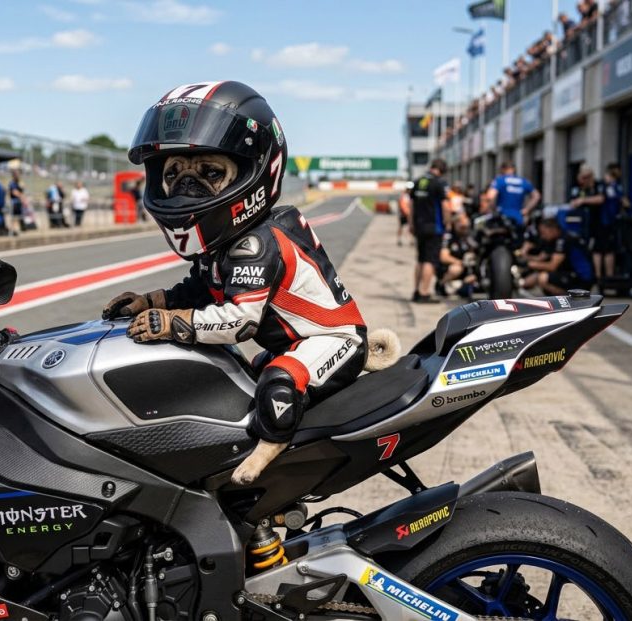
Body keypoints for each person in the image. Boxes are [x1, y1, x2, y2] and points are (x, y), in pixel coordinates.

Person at [100, 81, 368, 485]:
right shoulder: (224, 244)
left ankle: (269, 453)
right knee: (238, 378)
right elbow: (197, 289)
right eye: (174, 174)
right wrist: (149, 301)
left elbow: (239, 321)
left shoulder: (257, 243)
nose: (187, 184)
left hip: (332, 339)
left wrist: (172, 322)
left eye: (210, 173)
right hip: (288, 341)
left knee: (279, 383)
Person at [408, 158, 452, 303]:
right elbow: (445, 206)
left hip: (419, 226)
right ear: (442, 170)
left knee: (420, 259)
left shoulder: (418, 181)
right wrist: (448, 223)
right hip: (434, 227)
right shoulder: (439, 183)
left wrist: (411, 224)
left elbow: (411, 205)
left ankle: (416, 291)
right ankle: (424, 293)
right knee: (430, 260)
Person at [519, 218, 595, 295]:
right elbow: (542, 257)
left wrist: (530, 264)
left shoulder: (563, 240)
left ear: (552, 229)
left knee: (543, 278)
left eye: (543, 232)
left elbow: (552, 266)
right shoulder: (555, 239)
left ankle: (569, 298)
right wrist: (526, 257)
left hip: (582, 278)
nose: (542, 236)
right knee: (537, 275)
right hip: (570, 273)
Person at [568, 164, 605, 279]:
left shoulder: (598, 185)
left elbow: (600, 199)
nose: (585, 180)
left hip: (598, 221)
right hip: (581, 223)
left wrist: (583, 200)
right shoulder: (578, 188)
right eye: (583, 177)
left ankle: (598, 276)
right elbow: (572, 202)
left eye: (587, 177)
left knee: (598, 248)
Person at [486, 161, 540, 228]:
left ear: (503, 169)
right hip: (518, 216)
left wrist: (492, 209)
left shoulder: (500, 180)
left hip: (502, 217)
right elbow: (537, 196)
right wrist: (526, 209)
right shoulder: (523, 181)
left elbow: (490, 196)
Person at [598, 163, 629, 280]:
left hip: (608, 221)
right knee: (608, 250)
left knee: (605, 249)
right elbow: (625, 202)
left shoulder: (609, 186)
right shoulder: (611, 186)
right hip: (608, 221)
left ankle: (605, 276)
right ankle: (609, 276)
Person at [438, 216, 479, 299]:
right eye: (462, 227)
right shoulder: (448, 236)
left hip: (467, 269)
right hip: (451, 267)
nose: (464, 229)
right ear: (455, 224)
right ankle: (441, 285)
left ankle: (461, 287)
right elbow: (443, 257)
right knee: (456, 269)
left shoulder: (468, 236)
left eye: (466, 227)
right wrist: (460, 262)